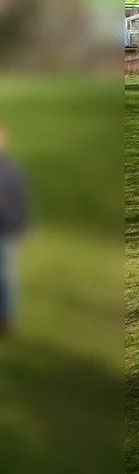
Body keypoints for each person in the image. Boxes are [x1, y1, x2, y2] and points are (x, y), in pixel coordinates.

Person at [0, 132, 26, 337]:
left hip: (6, 230)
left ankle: (6, 319)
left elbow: (21, 199)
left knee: (7, 277)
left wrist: (23, 226)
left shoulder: (12, 171)